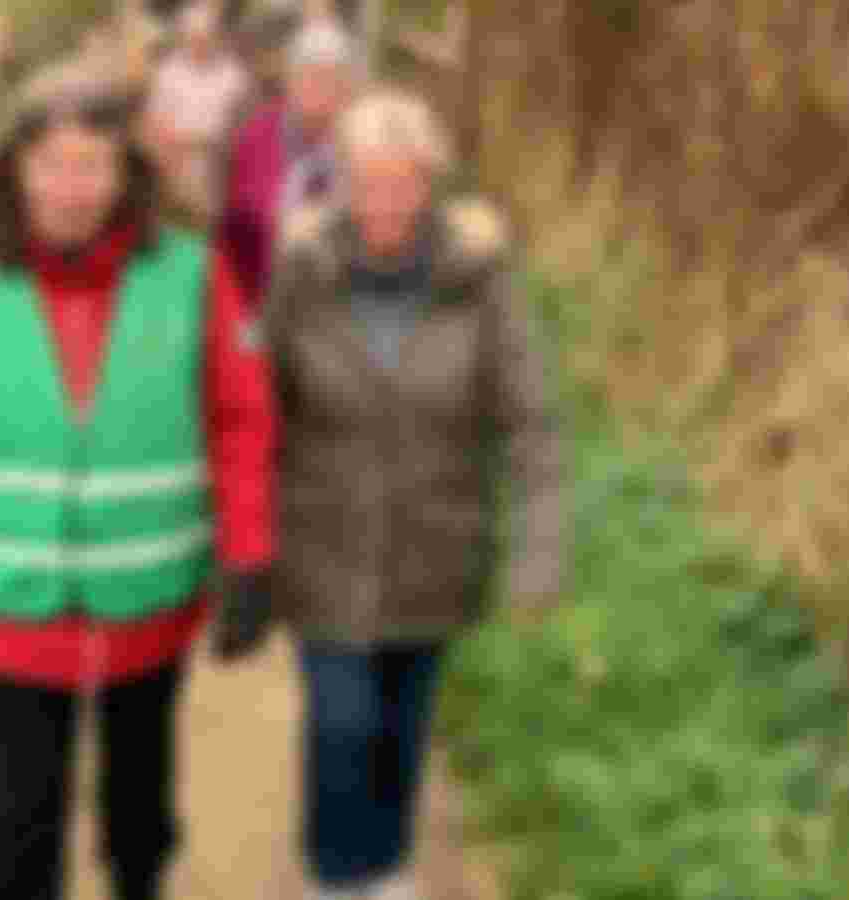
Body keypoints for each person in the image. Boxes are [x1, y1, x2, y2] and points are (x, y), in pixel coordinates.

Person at [0, 59, 277, 900]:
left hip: (147, 598)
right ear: (15, 170)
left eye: (93, 166)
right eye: (51, 166)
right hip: (15, 596)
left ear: (126, 173)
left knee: (138, 811)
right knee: (21, 827)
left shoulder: (192, 275)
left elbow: (241, 420)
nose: (71, 189)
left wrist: (249, 556)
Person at [262, 87, 564, 900]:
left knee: (399, 725)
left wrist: (538, 549)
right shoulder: (303, 273)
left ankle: (389, 867)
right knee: (341, 723)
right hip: (323, 544)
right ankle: (336, 875)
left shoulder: (480, 282)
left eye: (403, 182)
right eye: (367, 182)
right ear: (341, 184)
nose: (385, 202)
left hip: (437, 548)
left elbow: (530, 421)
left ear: (430, 184)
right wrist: (242, 544)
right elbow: (254, 409)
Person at [215, 18, 363, 304]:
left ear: (348, 89)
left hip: (342, 303)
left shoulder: (362, 141)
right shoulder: (255, 135)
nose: (320, 88)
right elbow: (234, 225)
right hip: (261, 294)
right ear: (289, 81)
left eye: (332, 79)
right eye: (309, 76)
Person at [144, 1, 251, 225]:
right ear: (184, 38)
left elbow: (244, 120)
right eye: (194, 39)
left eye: (205, 38)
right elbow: (156, 119)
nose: (200, 45)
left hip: (221, 158)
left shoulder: (234, 73)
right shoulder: (168, 72)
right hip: (179, 158)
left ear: (216, 38)